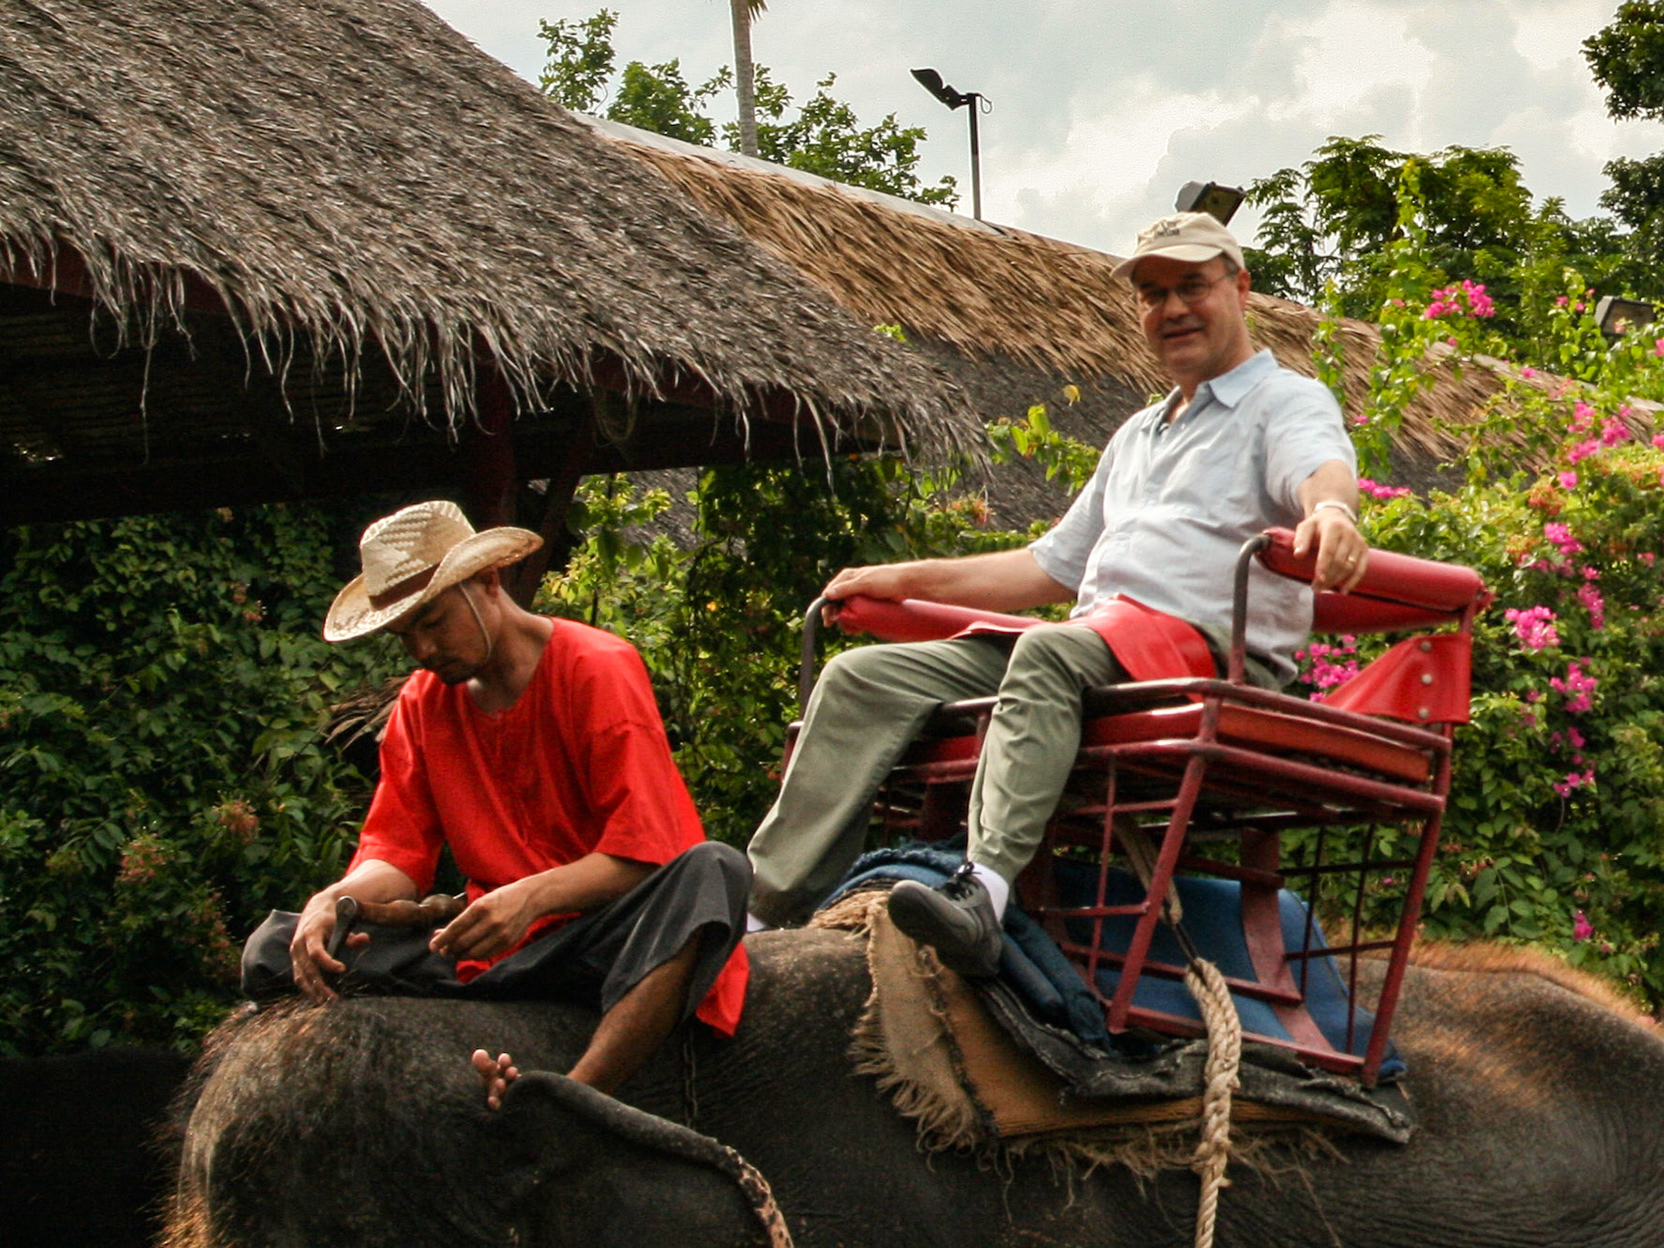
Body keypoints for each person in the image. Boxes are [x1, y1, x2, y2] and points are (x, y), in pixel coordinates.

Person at [745, 211, 1371, 976]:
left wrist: (1333, 512)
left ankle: (984, 894)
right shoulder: (1139, 434)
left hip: (1203, 654)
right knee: (863, 676)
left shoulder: (1286, 402)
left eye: (1192, 286)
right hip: (1101, 646)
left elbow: (1320, 471)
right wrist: (902, 579)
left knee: (1048, 652)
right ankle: (765, 908)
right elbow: (1048, 570)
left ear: (1240, 287)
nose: (1171, 308)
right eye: (1151, 294)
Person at [240, 500, 750, 1110]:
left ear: (487, 582)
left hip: (596, 935)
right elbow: (398, 855)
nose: (422, 649)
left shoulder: (597, 667)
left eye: (432, 623)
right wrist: (333, 902)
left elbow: (648, 854)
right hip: (490, 944)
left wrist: (531, 895)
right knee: (275, 947)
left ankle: (575, 1098)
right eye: (405, 636)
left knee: (714, 871)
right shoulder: (421, 703)